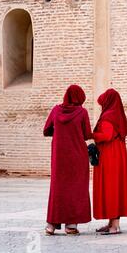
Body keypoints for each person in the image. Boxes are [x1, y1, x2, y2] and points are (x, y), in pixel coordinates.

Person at [43, 85, 92, 235]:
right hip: (77, 156)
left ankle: (51, 225)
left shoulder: (56, 110)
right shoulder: (82, 112)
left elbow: (46, 130)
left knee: (58, 188)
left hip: (59, 157)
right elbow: (86, 134)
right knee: (75, 189)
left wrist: (59, 132)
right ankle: (71, 225)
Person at [93, 88, 127, 235]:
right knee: (116, 187)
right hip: (118, 154)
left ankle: (114, 226)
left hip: (110, 155)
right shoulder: (118, 115)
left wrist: (91, 134)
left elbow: (107, 135)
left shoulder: (109, 116)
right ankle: (112, 223)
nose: (102, 106)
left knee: (111, 188)